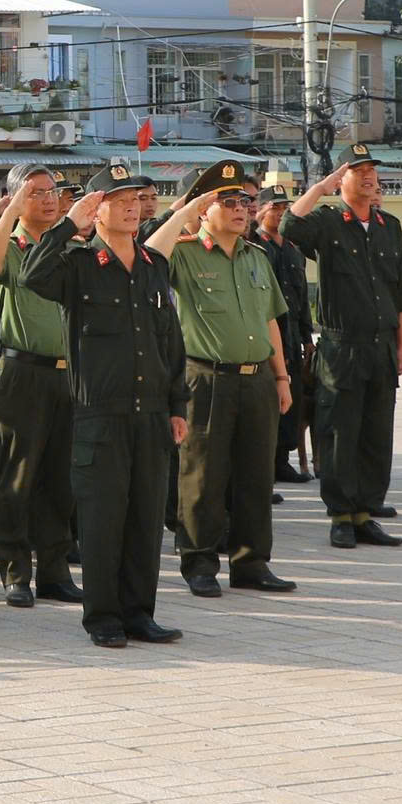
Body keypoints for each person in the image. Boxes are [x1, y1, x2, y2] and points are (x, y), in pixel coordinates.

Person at [17, 161, 189, 651]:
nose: (133, 208)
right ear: (97, 209)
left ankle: (139, 613)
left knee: (145, 519)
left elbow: (169, 341)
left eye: (136, 200)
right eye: (120, 201)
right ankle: (103, 617)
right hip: (100, 413)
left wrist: (177, 404)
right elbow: (31, 276)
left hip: (151, 412)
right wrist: (68, 224)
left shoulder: (154, 265)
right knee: (102, 521)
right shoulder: (77, 265)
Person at [145, 161, 296, 597]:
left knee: (256, 476)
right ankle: (199, 562)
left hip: (257, 379)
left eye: (244, 202)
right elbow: (149, 255)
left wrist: (281, 377)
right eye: (226, 202)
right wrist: (184, 213)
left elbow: (270, 320)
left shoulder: (256, 257)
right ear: (204, 209)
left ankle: (251, 562)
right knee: (202, 476)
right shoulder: (185, 253)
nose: (240, 210)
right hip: (206, 378)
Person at [281, 144, 402, 550]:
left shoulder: (389, 225)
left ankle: (365, 513)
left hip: (382, 347)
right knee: (339, 432)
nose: (369, 177)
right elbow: (289, 225)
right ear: (342, 180)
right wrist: (319, 188)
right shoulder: (328, 222)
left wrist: (401, 346)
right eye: (359, 171)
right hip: (342, 348)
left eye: (372, 170)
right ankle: (340, 515)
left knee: (376, 433)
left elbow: (399, 290)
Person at [0, 165, 82, 610]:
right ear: (17, 199)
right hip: (23, 373)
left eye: (52, 191)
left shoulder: (69, 246)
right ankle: (17, 572)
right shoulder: (11, 245)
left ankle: (55, 571)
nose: (49, 199)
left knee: (60, 480)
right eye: (36, 193)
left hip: (68, 374)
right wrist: (9, 213)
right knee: (18, 477)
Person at [252, 188, 314, 484]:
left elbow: (300, 297)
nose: (279, 214)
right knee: (268, 406)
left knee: (292, 402)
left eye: (284, 209)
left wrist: (307, 337)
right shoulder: (254, 246)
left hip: (291, 337)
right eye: (274, 208)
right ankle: (265, 466)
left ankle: (282, 461)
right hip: (266, 338)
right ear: (261, 211)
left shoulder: (293, 248)